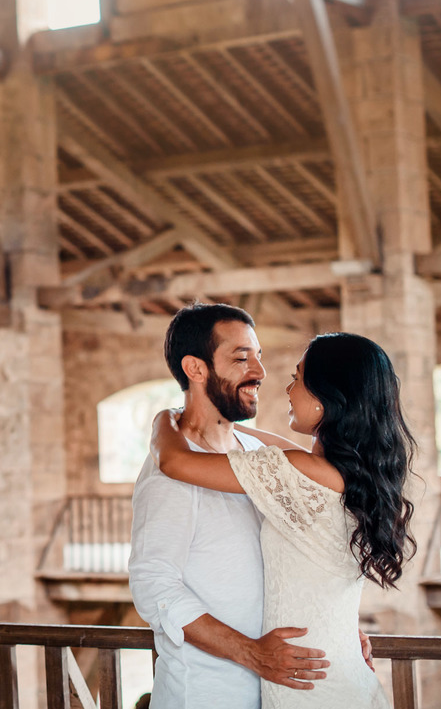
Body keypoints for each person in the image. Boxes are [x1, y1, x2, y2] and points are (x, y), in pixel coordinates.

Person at [151, 331, 414, 708]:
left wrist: (167, 418)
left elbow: (174, 462)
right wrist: (224, 422)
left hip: (307, 684)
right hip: (336, 667)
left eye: (298, 378)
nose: (288, 389)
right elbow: (276, 446)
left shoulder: (299, 471)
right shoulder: (355, 477)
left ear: (327, 397)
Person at [129, 303, 333, 709]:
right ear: (196, 369)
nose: (259, 372)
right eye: (241, 358)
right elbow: (154, 585)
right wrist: (251, 653)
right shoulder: (170, 470)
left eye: (259, 357)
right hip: (205, 694)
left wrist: (335, 632)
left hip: (278, 694)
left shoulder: (258, 452)